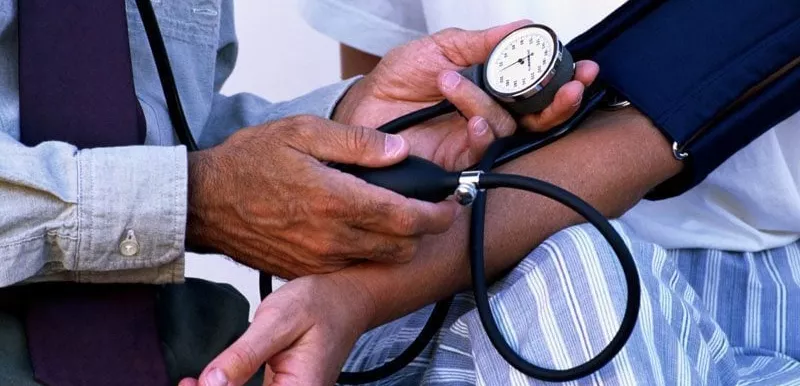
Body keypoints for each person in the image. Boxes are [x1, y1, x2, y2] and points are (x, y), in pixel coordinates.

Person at [181, 1, 800, 385]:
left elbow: (648, 128)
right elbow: (385, 114)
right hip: (443, 289)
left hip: (751, 286)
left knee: (582, 269)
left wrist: (357, 293)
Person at [0, 1, 597, 385]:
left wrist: (348, 126)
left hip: (177, 347)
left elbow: (141, 125)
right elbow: (185, 183)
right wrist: (196, 199)